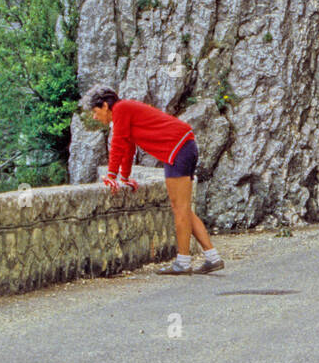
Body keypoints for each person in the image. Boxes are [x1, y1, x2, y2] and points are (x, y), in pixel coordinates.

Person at [79, 85, 224, 275]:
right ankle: (212, 258)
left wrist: (111, 176)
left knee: (179, 208)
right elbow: (128, 147)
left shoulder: (121, 109)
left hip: (177, 149)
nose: (95, 117)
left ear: (105, 106)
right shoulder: (124, 112)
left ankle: (183, 262)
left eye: (95, 112)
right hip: (184, 146)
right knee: (184, 208)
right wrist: (124, 177)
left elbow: (118, 143)